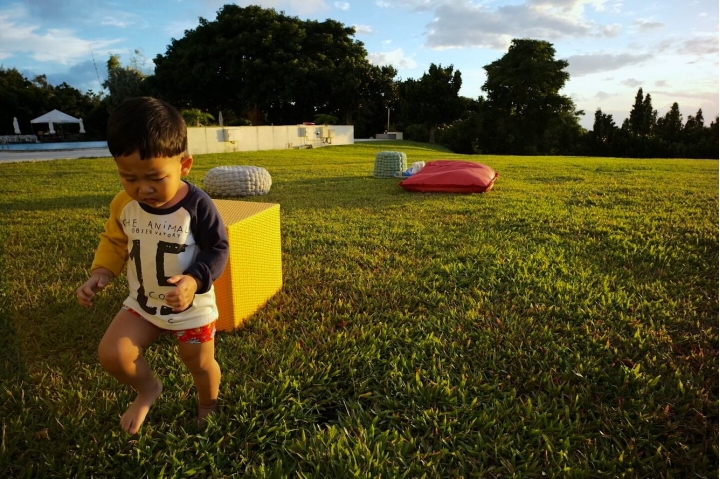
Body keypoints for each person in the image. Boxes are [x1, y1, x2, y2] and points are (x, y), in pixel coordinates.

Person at [76, 97, 229, 434]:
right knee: (114, 354)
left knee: (199, 363)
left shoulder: (197, 205)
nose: (142, 189)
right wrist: (101, 273)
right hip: (144, 303)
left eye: (155, 178)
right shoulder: (124, 204)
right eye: (128, 177)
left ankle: (208, 403)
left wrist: (193, 280)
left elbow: (218, 248)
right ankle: (148, 389)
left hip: (191, 307)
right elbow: (115, 241)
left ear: (184, 165)